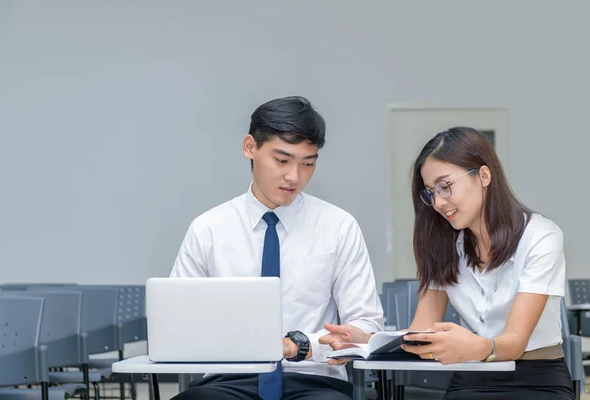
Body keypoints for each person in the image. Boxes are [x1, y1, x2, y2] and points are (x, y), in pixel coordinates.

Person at [321, 127, 575, 399]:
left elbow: (514, 343)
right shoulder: (446, 246)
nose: (439, 203)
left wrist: (472, 345)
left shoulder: (541, 236)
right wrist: (366, 343)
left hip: (537, 379)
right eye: (431, 192)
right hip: (471, 377)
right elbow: (419, 332)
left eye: (446, 186)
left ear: (484, 176)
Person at [169, 95, 383, 400]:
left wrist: (303, 345)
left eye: (307, 163)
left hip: (314, 380)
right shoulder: (208, 229)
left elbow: (366, 325)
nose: (294, 177)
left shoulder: (338, 226)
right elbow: (178, 322)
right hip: (228, 380)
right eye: (282, 160)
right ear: (250, 148)